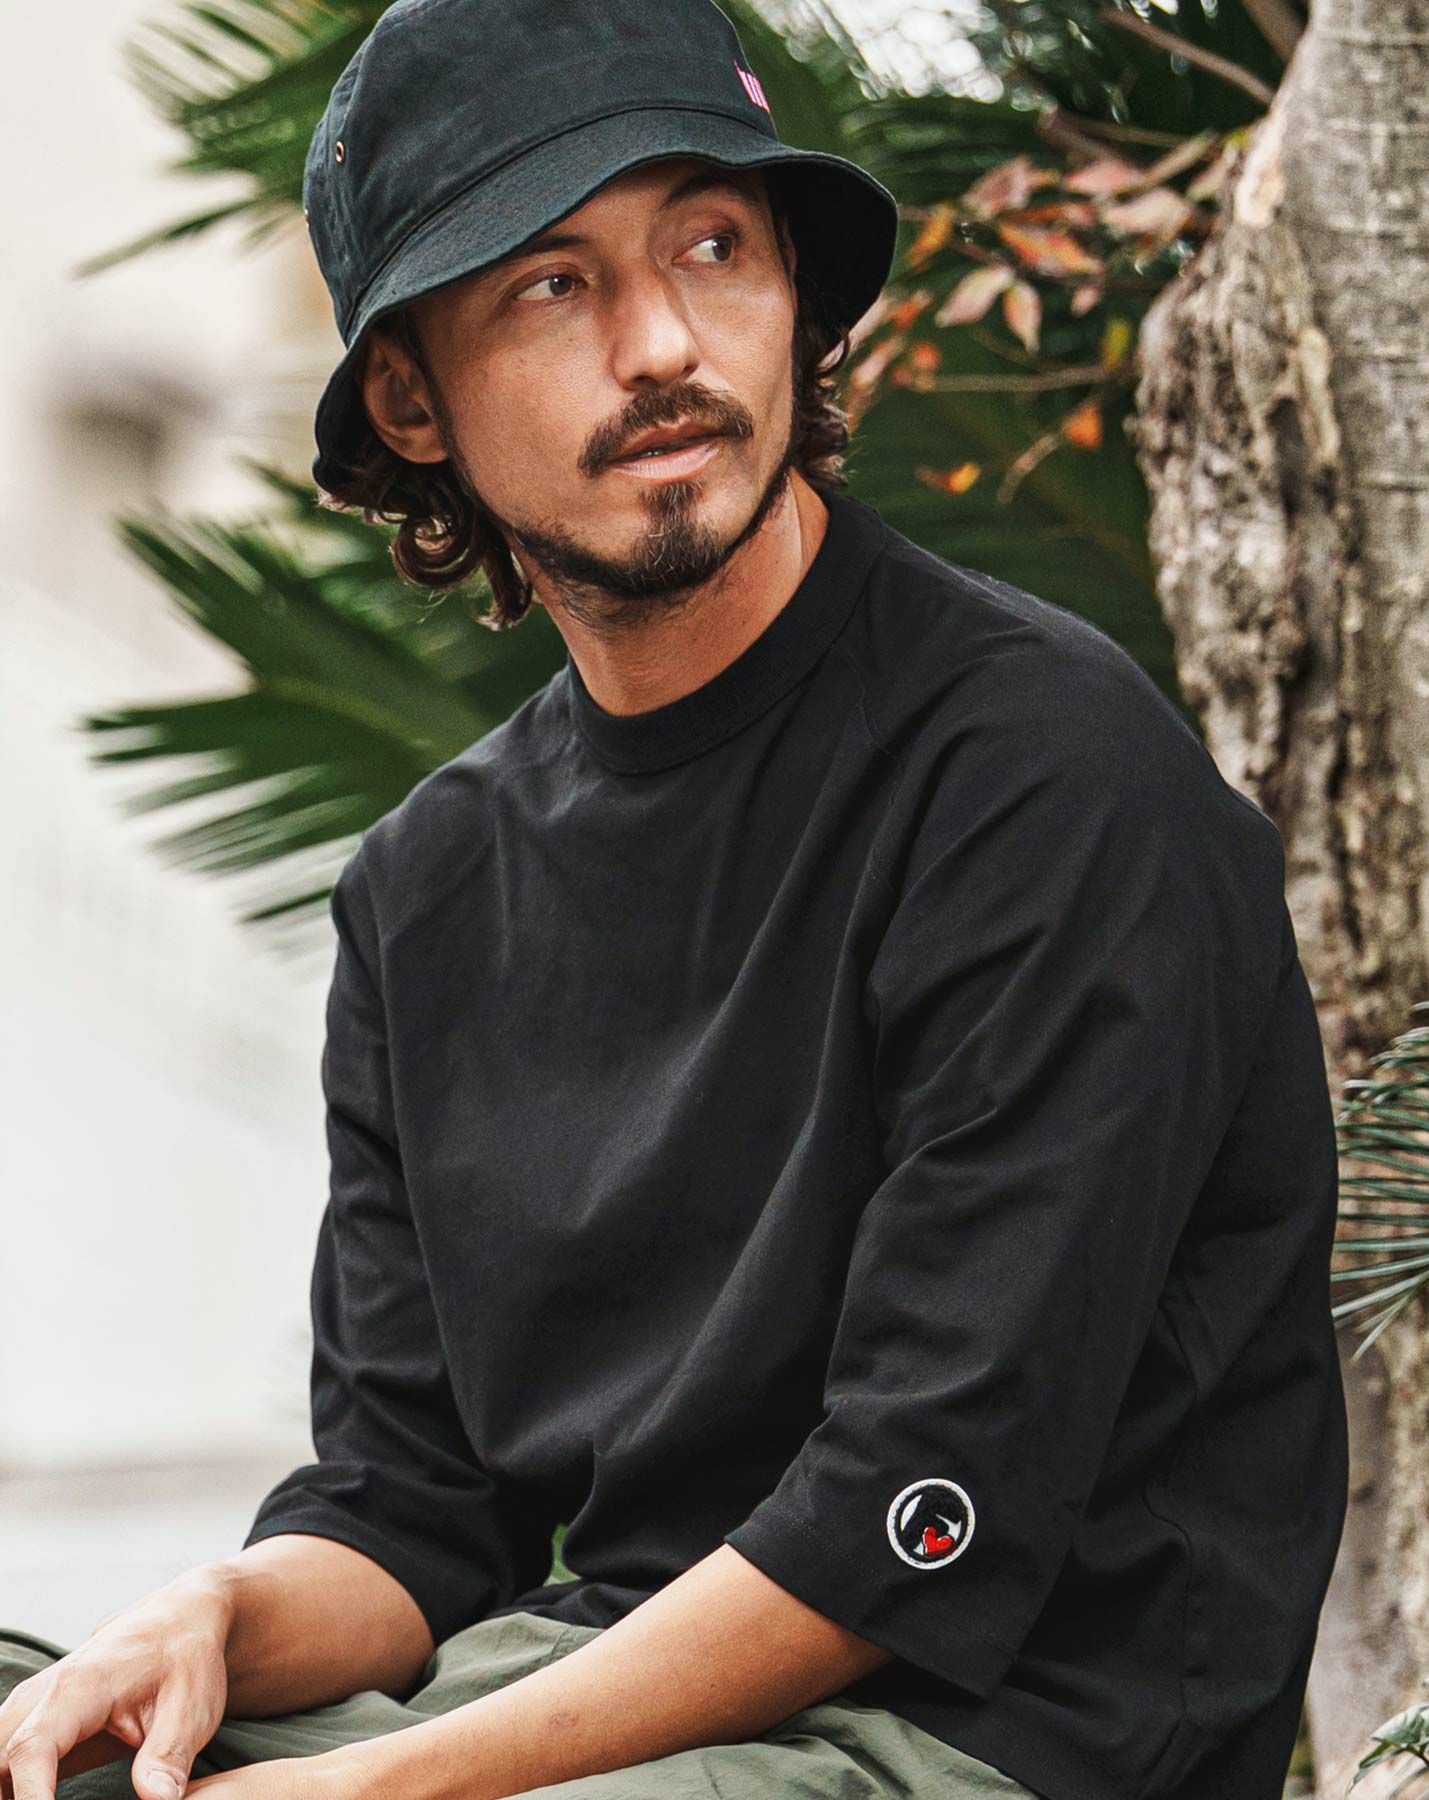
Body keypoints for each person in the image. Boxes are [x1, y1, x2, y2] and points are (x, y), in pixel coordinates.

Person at [0, 1, 1350, 1798]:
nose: (662, 346)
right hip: (585, 1684)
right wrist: (212, 1618)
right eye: (551, 285)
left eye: (713, 246)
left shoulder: (1045, 776)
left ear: (794, 291)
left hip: (983, 1736)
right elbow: (412, 1510)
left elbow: (904, 1519)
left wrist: (363, 1790)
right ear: (410, 398)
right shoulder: (428, 887)